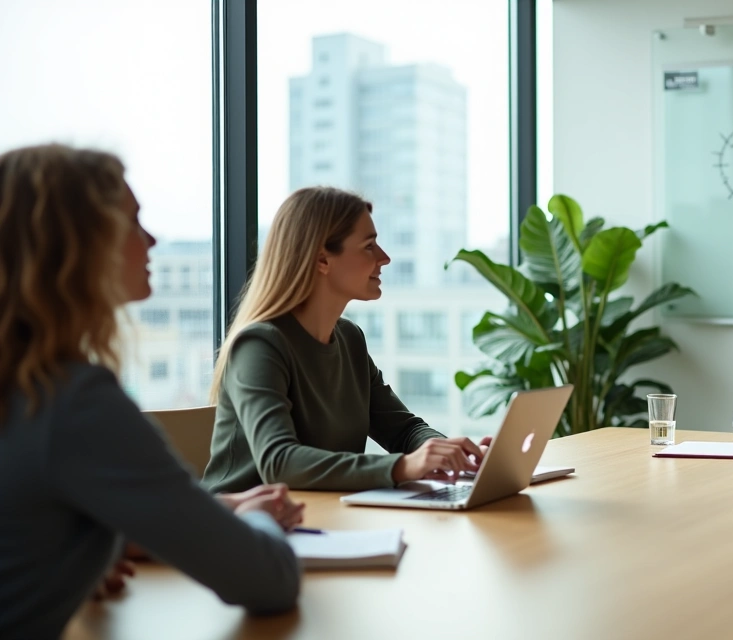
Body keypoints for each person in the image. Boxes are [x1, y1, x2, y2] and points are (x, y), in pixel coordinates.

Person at [0, 144, 300, 638]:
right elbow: (269, 580)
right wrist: (257, 516)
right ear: (77, 247)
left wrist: (85, 550)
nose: (152, 239)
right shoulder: (73, 402)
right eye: (132, 222)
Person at [202, 186, 487, 493]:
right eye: (369, 246)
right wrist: (404, 466)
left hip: (326, 520)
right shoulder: (260, 345)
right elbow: (279, 462)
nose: (385, 258)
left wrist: (451, 454)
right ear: (322, 260)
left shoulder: (350, 339)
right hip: (243, 531)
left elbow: (404, 431)